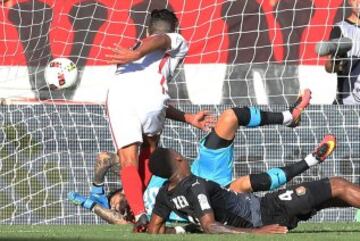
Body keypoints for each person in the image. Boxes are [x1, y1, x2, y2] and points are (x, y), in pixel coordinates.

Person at [69, 90, 317, 230]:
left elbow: (104, 159)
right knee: (242, 185)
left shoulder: (144, 176)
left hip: (199, 169)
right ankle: (308, 162)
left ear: (124, 189)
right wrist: (94, 206)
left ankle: (288, 117)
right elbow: (116, 220)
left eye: (116, 200)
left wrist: (97, 186)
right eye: (115, 208)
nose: (117, 206)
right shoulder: (142, 216)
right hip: (209, 193)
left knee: (230, 117)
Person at [147, 134, 360, 234]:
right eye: (179, 153)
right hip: (266, 210)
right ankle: (310, 161)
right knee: (338, 184)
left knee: (333, 197)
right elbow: (209, 225)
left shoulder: (165, 195)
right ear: (178, 160)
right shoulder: (195, 185)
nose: (183, 155)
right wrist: (256, 233)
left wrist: (182, 231)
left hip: (260, 211)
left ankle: (310, 160)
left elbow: (154, 230)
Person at [105, 8, 190, 229]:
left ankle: (138, 210)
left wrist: (136, 54)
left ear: (146, 29)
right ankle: (136, 209)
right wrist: (137, 54)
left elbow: (159, 39)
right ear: (175, 29)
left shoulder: (135, 49)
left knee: (128, 159)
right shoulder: (176, 40)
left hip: (120, 95)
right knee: (150, 151)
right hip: (153, 99)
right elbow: (161, 39)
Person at [325, 0, 360, 104]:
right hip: (347, 104)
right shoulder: (340, 29)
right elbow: (329, 67)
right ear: (349, 1)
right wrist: (337, 63)